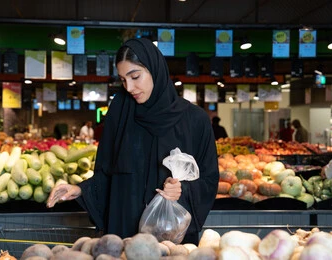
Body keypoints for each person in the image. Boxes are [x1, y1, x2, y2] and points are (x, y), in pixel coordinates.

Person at [47, 38, 219, 245]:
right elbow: (108, 174)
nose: (129, 87)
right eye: (123, 80)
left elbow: (209, 179)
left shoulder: (194, 120)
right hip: (124, 230)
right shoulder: (121, 114)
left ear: (155, 70)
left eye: (135, 76)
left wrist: (182, 190)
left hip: (170, 238)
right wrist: (82, 189)